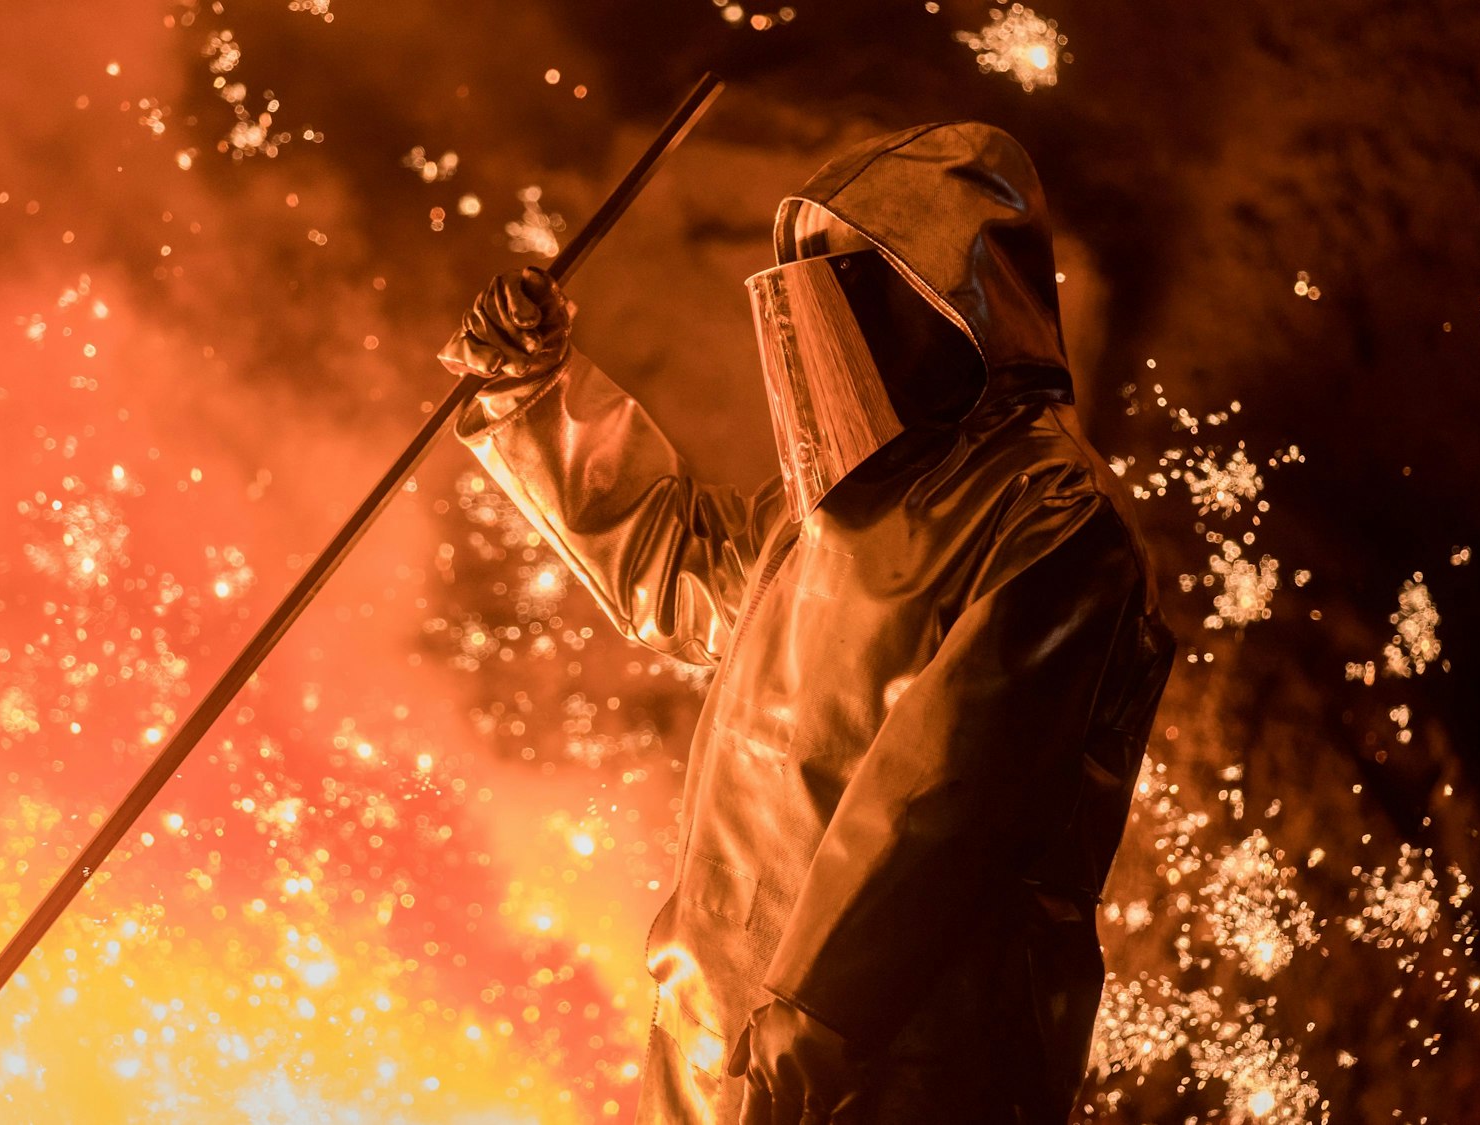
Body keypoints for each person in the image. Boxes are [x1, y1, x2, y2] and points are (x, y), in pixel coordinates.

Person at [439, 121, 1174, 1125]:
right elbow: (679, 567)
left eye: (857, 279)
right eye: (815, 276)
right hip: (720, 1037)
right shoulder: (830, 507)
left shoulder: (1050, 518)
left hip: (888, 1080)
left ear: (955, 302)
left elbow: (942, 804)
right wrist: (533, 392)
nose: (831, 311)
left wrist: (804, 1043)